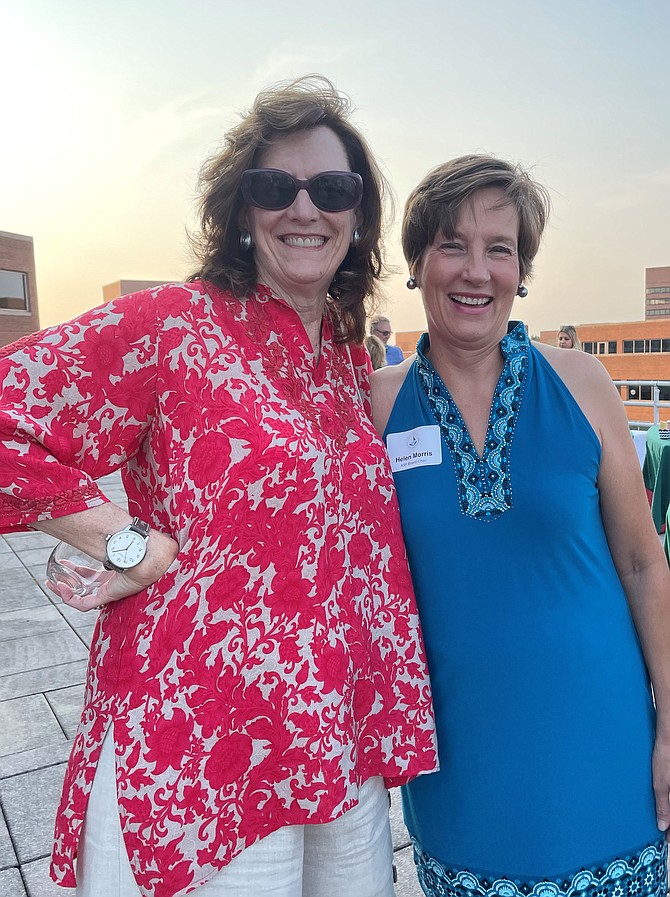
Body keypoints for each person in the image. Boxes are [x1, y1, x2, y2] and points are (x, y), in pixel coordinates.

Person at [0, 76, 438, 897]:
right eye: (277, 187)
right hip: (202, 747)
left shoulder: (344, 361)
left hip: (333, 741)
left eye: (333, 188)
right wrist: (122, 541)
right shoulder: (172, 324)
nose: (305, 209)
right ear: (242, 209)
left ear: (358, 216)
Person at [371, 154, 670, 897]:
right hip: (462, 770)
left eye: (499, 248)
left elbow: (642, 561)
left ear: (522, 268)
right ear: (417, 262)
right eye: (452, 244)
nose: (476, 271)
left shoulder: (583, 383)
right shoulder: (372, 406)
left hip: (606, 757)